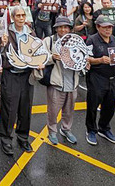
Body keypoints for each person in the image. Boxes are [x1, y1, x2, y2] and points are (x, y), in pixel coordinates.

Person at [0, 6, 35, 156]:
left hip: (26, 76)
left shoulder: (30, 32)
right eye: (17, 15)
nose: (20, 18)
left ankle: (23, 137)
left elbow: (36, 50)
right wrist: (2, 44)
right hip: (11, 75)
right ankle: (5, 138)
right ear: (12, 18)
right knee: (9, 108)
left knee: (25, 108)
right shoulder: (5, 32)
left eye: (22, 15)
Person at [43, 17, 81, 145]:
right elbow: (41, 57)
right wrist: (52, 58)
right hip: (56, 81)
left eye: (65, 27)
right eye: (60, 27)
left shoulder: (76, 41)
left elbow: (82, 57)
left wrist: (85, 63)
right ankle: (52, 131)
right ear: (55, 28)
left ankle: (66, 129)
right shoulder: (49, 41)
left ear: (70, 29)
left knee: (69, 110)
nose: (63, 29)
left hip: (72, 80)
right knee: (53, 110)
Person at [84, 16, 115, 146]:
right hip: (97, 77)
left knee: (110, 106)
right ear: (98, 26)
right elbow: (86, 58)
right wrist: (99, 60)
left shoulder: (114, 39)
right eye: (105, 27)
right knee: (93, 105)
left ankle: (104, 128)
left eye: (110, 27)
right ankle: (91, 130)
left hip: (112, 78)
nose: (108, 29)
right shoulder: (92, 40)